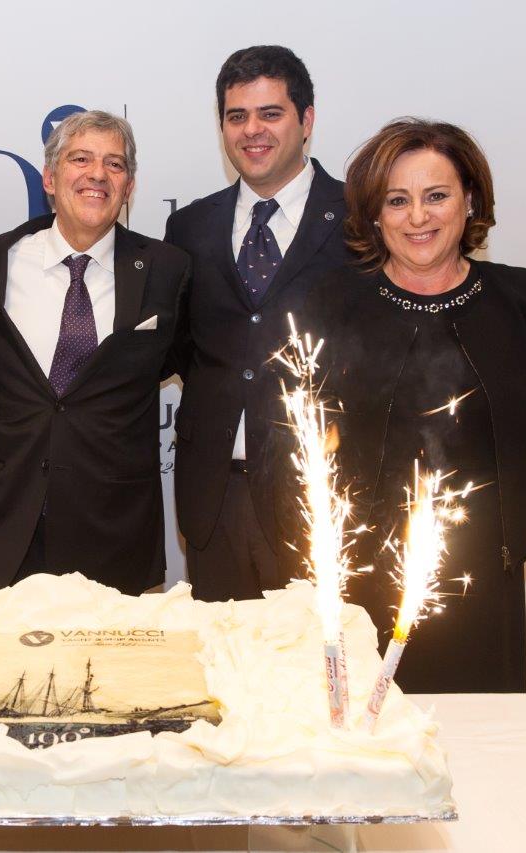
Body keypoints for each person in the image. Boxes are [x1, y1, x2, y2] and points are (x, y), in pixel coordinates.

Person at [291, 118, 526, 692]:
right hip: (355, 587)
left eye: (437, 196)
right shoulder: (333, 302)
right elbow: (295, 437)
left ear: (469, 201)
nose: (417, 217)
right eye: (397, 200)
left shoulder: (520, 298)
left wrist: (513, 536)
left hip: (481, 584)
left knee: (476, 737)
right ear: (375, 215)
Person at [0, 111, 189, 594]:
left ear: (129, 186)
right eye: (80, 159)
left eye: (114, 164)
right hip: (4, 524)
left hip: (114, 529)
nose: (97, 174)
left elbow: (177, 362)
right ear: (49, 177)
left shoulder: (167, 270)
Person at [164, 45, 350, 602]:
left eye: (271, 113)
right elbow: (182, 349)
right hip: (213, 500)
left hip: (321, 498)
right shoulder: (190, 226)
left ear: (306, 119)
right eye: (236, 116)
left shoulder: (361, 220)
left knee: (316, 657)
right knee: (219, 653)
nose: (252, 130)